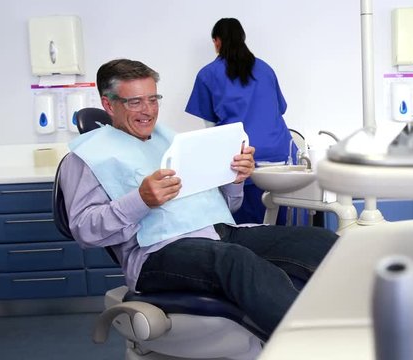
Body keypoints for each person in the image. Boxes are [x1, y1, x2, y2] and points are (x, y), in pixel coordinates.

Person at [60, 58, 337, 335]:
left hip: (221, 233)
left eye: (153, 99)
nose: (148, 111)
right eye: (135, 102)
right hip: (157, 253)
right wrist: (141, 200)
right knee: (235, 261)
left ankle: (356, 326)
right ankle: (312, 344)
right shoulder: (87, 158)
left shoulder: (171, 141)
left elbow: (226, 206)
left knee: (319, 241)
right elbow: (84, 231)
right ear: (109, 105)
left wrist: (235, 180)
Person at [186, 18, 293, 225]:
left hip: (243, 161)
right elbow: (280, 109)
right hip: (282, 157)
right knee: (282, 231)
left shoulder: (208, 74)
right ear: (243, 38)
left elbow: (211, 131)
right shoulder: (265, 69)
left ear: (216, 41)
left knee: (247, 232)